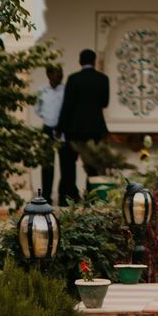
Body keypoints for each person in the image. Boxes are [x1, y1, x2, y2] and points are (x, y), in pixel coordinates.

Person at [56, 48, 110, 203]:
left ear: (80, 61)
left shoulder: (73, 79)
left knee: (69, 164)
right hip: (95, 128)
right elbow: (105, 103)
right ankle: (92, 197)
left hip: (75, 128)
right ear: (94, 62)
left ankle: (71, 196)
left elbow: (67, 106)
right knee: (93, 164)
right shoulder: (103, 79)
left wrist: (60, 128)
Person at [35, 64, 64, 203]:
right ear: (49, 74)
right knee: (47, 163)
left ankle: (63, 195)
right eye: (57, 73)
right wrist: (48, 118)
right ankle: (46, 196)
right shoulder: (42, 90)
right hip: (47, 128)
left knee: (65, 163)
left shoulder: (65, 90)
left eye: (61, 72)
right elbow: (38, 109)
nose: (60, 75)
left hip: (63, 129)